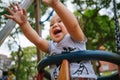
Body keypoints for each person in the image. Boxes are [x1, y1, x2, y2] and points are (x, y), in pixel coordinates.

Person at [4, 0, 97, 80]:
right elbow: (37, 40)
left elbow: (73, 26)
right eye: (51, 24)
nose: (55, 25)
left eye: (60, 21)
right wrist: (24, 24)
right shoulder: (52, 46)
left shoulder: (77, 39)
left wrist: (56, 4)